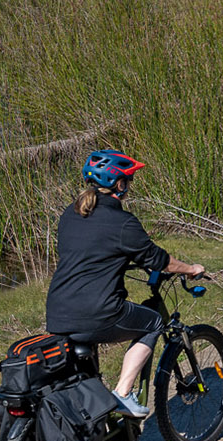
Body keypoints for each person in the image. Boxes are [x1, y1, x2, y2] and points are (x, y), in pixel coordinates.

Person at [46, 150, 207, 418]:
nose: (129, 186)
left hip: (58, 313)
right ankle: (122, 394)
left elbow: (93, 251)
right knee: (154, 321)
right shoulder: (122, 222)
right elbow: (159, 260)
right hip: (98, 313)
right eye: (129, 180)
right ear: (119, 184)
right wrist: (191, 269)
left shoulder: (70, 214)